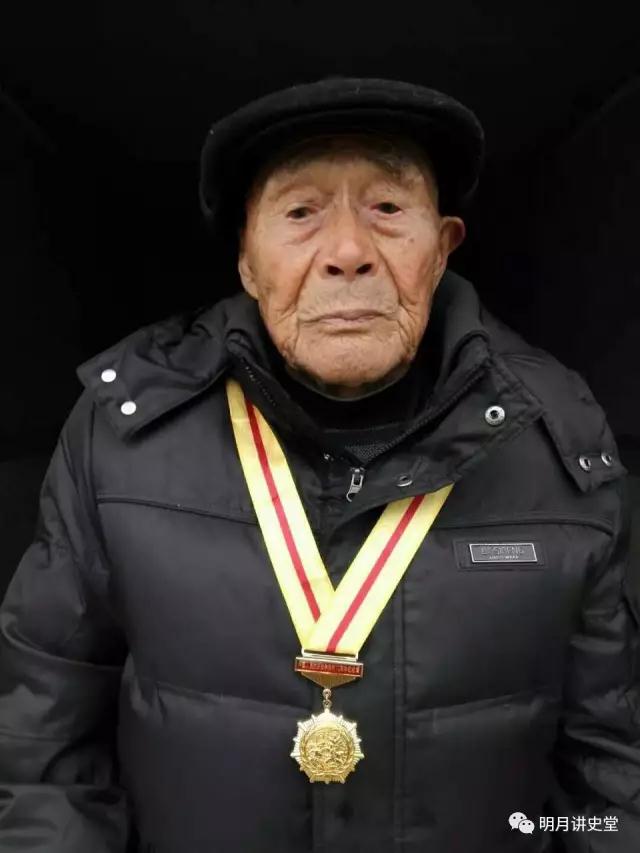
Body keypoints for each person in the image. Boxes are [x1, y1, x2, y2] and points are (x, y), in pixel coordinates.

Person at [0, 77, 638, 853]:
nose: (347, 253)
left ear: (442, 248)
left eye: (388, 208)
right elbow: (39, 748)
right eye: (301, 212)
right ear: (246, 259)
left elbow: (610, 779)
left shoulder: (558, 436)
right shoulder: (118, 435)